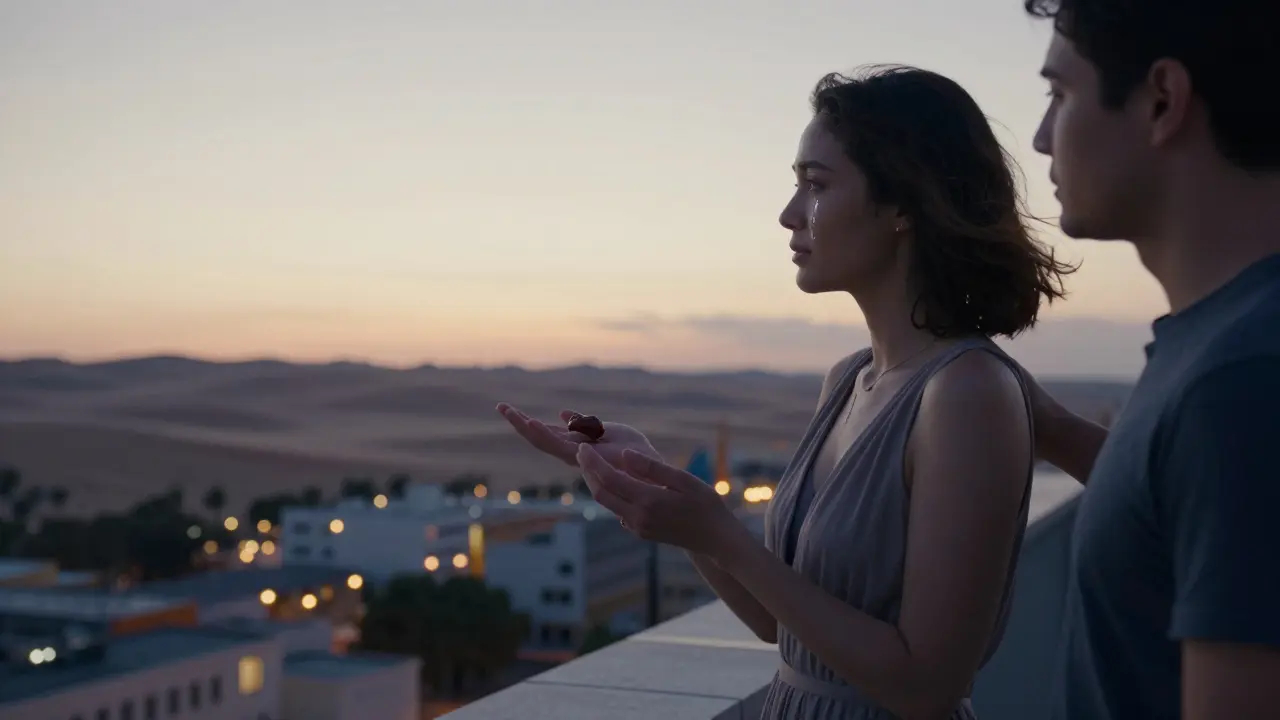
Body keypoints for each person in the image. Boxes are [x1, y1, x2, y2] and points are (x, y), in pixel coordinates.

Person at [498, 65, 1075, 719]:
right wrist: (655, 483)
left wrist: (726, 536)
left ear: (904, 206)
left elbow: (929, 683)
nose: (788, 215)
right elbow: (776, 624)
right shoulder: (848, 381)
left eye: (816, 185)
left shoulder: (968, 394)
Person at [1020, 1, 1280, 718]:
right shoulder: (1222, 348)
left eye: (1059, 95)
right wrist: (1053, 427)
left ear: (1163, 100)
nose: (1043, 138)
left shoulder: (1242, 380)